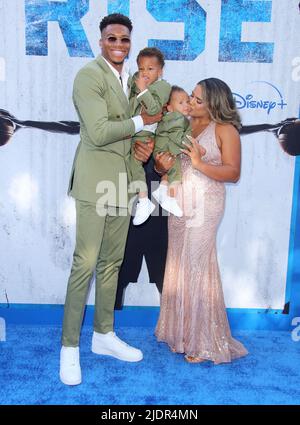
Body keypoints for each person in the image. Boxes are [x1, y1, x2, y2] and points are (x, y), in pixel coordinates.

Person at [60, 13, 162, 386]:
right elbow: (101, 132)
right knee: (84, 264)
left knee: (111, 265)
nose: (118, 45)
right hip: (93, 183)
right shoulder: (89, 75)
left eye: (124, 40)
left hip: (121, 184)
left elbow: (133, 139)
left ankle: (103, 335)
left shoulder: (131, 80)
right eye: (111, 39)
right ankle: (69, 348)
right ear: (100, 41)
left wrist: (143, 147)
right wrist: (141, 124)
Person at [155, 78, 248, 364]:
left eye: (197, 99)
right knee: (178, 264)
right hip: (178, 203)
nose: (191, 102)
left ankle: (204, 341)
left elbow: (233, 173)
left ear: (213, 104)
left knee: (197, 265)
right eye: (191, 97)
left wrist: (198, 163)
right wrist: (162, 163)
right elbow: (164, 165)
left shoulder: (225, 129)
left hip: (206, 205)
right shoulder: (182, 125)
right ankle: (181, 336)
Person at [129, 47, 171, 225]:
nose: (145, 73)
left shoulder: (163, 86)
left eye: (150, 69)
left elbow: (153, 110)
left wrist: (143, 90)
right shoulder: (135, 83)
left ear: (160, 71)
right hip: (132, 130)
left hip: (146, 134)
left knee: (134, 163)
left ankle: (144, 200)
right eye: (141, 69)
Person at [152, 86, 192, 217]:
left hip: (163, 151)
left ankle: (162, 190)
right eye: (181, 103)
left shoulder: (172, 117)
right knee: (176, 174)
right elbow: (176, 138)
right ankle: (170, 199)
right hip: (167, 153)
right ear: (169, 107)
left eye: (187, 101)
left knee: (169, 174)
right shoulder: (178, 118)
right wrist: (189, 146)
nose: (186, 105)